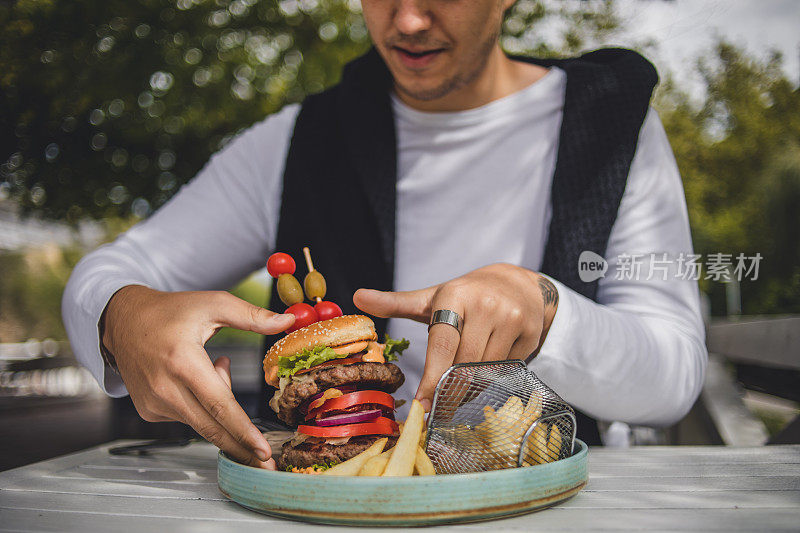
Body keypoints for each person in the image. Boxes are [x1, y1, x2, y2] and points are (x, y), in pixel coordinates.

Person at [63, 0, 707, 469]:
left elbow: (675, 371)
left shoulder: (614, 124)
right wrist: (124, 317)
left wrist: (549, 313)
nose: (406, 21)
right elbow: (117, 268)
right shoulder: (295, 142)